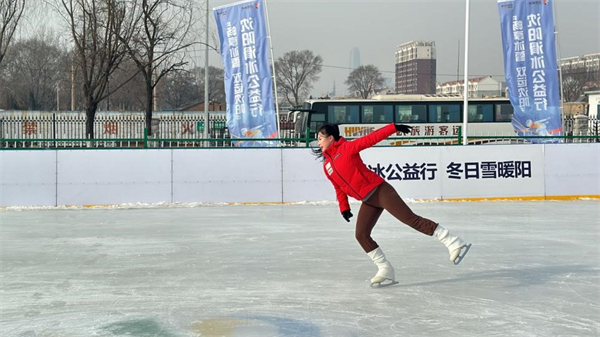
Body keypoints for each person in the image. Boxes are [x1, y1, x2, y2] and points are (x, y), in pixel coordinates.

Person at [313, 123, 471, 287]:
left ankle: (453, 242)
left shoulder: (347, 148)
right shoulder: (327, 166)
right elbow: (338, 187)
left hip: (380, 191)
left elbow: (371, 139)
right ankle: (385, 269)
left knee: (411, 219)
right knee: (361, 235)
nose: (318, 142)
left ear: (331, 138)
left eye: (320, 138)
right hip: (368, 200)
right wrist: (344, 208)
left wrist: (393, 127)